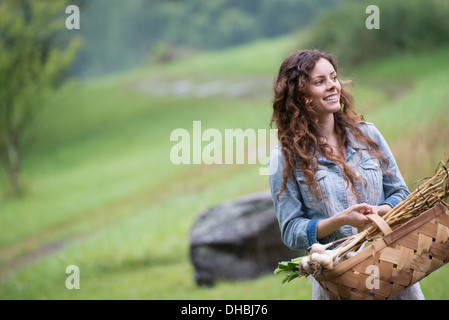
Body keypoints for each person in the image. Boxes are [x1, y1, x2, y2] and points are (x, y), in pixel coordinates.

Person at [268, 49, 425, 300]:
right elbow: (291, 230)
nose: (332, 86)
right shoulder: (285, 158)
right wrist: (342, 219)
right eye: (320, 82)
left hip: (393, 269)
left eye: (333, 77)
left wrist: (379, 211)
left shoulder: (368, 135)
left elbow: (400, 193)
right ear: (298, 95)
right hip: (339, 282)